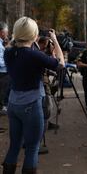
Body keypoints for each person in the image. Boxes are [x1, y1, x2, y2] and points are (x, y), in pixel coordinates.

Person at [2, 17, 64, 174]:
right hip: (31, 104)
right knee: (32, 148)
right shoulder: (34, 55)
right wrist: (55, 40)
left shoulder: (9, 52)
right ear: (34, 34)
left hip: (13, 103)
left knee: (14, 145)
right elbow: (61, 64)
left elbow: (15, 44)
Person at [0, 21, 9, 116]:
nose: (7, 33)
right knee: (2, 94)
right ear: (2, 32)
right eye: (6, 31)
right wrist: (9, 64)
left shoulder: (2, 43)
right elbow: (0, 62)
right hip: (2, 73)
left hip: (3, 72)